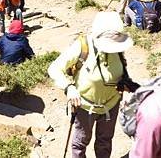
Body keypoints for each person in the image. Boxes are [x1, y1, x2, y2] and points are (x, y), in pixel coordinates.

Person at [48, 12, 134, 158]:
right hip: (85, 105)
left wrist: (129, 87)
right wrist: (69, 88)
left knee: (105, 141)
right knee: (80, 142)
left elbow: (120, 72)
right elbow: (54, 68)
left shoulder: (118, 47)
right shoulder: (83, 46)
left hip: (111, 104)